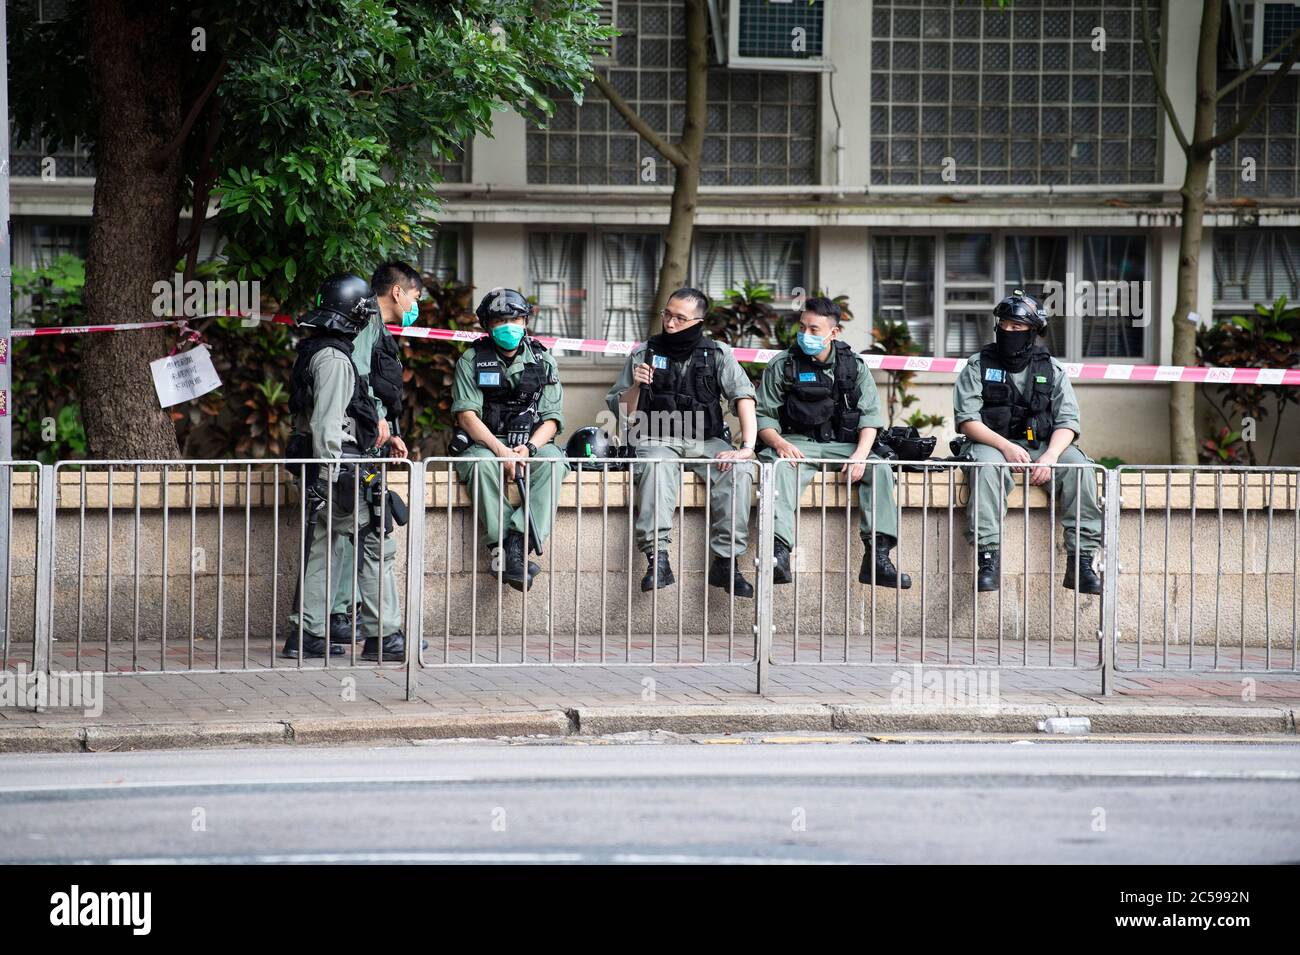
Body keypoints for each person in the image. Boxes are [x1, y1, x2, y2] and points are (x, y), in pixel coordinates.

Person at [284, 273, 409, 661]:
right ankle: (383, 636)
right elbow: (328, 427)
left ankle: (307, 634)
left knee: (322, 549)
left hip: (333, 471)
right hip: (344, 471)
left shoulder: (316, 350)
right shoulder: (336, 360)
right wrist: (328, 477)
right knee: (376, 547)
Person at [605, 287, 759, 597]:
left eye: (679, 317)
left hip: (706, 439)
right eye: (667, 314)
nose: (670, 323)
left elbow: (743, 397)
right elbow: (622, 411)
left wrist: (747, 449)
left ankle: (726, 562)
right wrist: (636, 385)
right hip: (656, 435)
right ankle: (657, 558)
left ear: (699, 321)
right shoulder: (643, 352)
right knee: (656, 467)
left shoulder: (717, 353)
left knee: (739, 473)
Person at [953, 289, 1103, 594]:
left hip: (1042, 445)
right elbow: (968, 420)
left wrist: (1050, 457)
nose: (1008, 332)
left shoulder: (1052, 369)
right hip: (992, 443)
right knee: (986, 467)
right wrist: (1006, 447)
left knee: (1079, 467)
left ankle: (1082, 562)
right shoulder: (977, 365)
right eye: (1004, 325)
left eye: (1017, 327)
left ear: (1033, 331)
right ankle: (987, 559)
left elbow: (1067, 423)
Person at [756, 296, 911, 589]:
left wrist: (861, 455)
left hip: (844, 446)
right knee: (778, 468)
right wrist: (779, 444)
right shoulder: (783, 364)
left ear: (834, 332)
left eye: (815, 330)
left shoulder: (854, 365)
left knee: (879, 469)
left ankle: (877, 558)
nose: (806, 336)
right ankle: (778, 553)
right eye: (803, 328)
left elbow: (870, 418)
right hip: (797, 442)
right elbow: (764, 417)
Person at [450, 288, 569, 591]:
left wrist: (528, 449)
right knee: (480, 464)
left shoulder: (543, 359)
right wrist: (502, 451)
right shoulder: (472, 359)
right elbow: (467, 415)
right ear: (487, 326)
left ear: (526, 321)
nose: (509, 325)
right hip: (486, 442)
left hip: (531, 442)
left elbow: (553, 418)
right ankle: (506, 547)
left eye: (515, 318)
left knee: (554, 462)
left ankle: (515, 545)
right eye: (500, 320)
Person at [326, 261, 418, 645]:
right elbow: (358, 376)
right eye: (415, 295)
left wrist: (390, 429)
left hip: (368, 437)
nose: (416, 304)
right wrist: (375, 421)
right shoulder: (367, 324)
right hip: (355, 441)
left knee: (357, 528)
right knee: (357, 529)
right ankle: (339, 616)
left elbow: (377, 385)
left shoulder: (375, 325)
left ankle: (346, 616)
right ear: (397, 292)